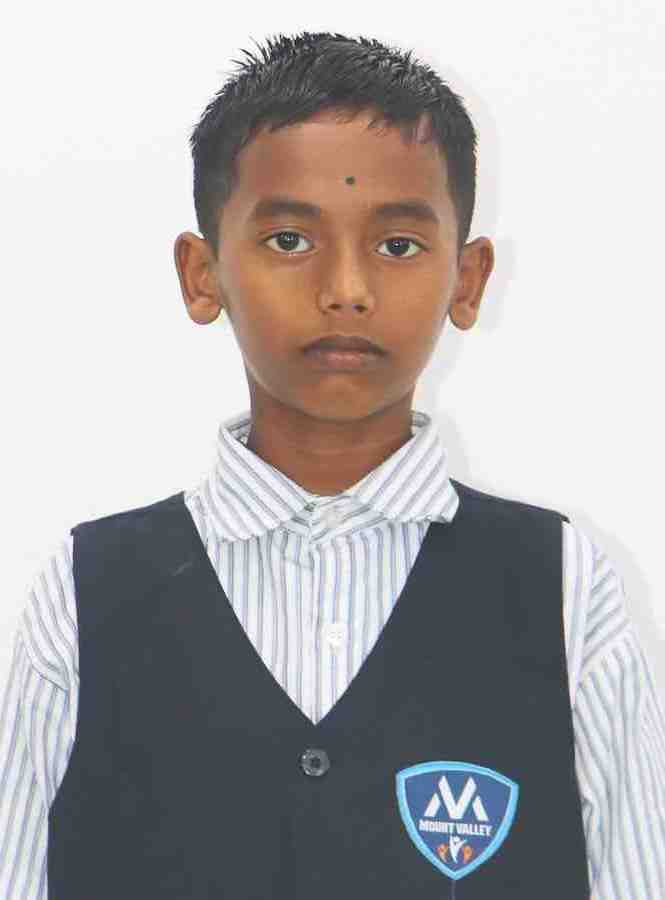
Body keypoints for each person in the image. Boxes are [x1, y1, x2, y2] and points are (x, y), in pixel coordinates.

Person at [1, 29, 663, 900]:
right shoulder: (87, 592)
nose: (345, 289)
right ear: (202, 275)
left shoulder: (565, 587)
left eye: (397, 246)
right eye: (288, 240)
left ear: (467, 281)